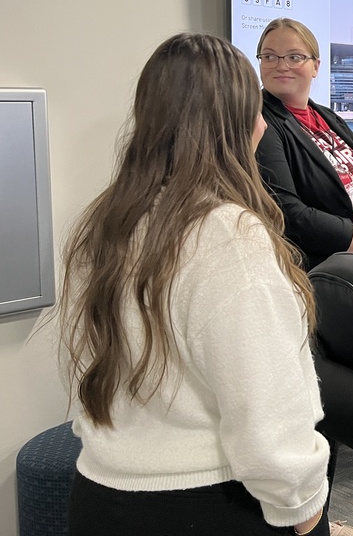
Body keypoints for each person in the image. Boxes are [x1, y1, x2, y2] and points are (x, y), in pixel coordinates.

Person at [57, 34, 330, 536]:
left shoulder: (107, 221)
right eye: (255, 109)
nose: (264, 124)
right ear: (232, 122)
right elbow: (266, 412)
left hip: (99, 493)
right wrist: (307, 508)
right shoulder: (228, 234)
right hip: (210, 505)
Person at [254, 17, 353, 271]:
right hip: (320, 273)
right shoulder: (260, 122)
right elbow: (287, 212)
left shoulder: (328, 118)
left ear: (316, 66)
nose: (280, 65)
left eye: (294, 57)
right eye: (269, 56)